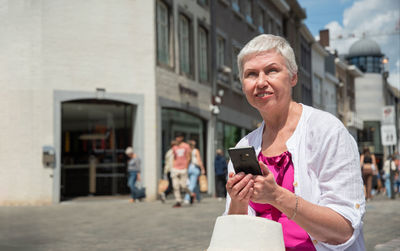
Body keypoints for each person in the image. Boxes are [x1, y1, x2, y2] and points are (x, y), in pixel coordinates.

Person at [223, 34, 365, 250]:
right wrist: (238, 201)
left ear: (293, 77)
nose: (261, 82)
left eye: (271, 70)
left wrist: (277, 196)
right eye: (251, 74)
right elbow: (235, 234)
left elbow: (343, 230)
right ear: (243, 85)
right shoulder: (245, 146)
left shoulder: (326, 131)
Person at [171, 132, 191, 208]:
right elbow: (174, 157)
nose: (178, 139)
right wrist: (173, 166)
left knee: (183, 185)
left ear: (182, 138)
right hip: (175, 168)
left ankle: (191, 194)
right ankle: (178, 201)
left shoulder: (186, 146)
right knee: (175, 186)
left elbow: (188, 157)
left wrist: (186, 166)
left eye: (179, 137)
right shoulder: (174, 147)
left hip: (183, 168)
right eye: (177, 137)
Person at [184, 140, 206, 204]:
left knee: (194, 183)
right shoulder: (195, 151)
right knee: (192, 184)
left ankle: (198, 197)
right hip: (194, 168)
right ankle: (187, 198)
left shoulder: (187, 151)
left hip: (188, 168)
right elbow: (199, 160)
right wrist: (202, 168)